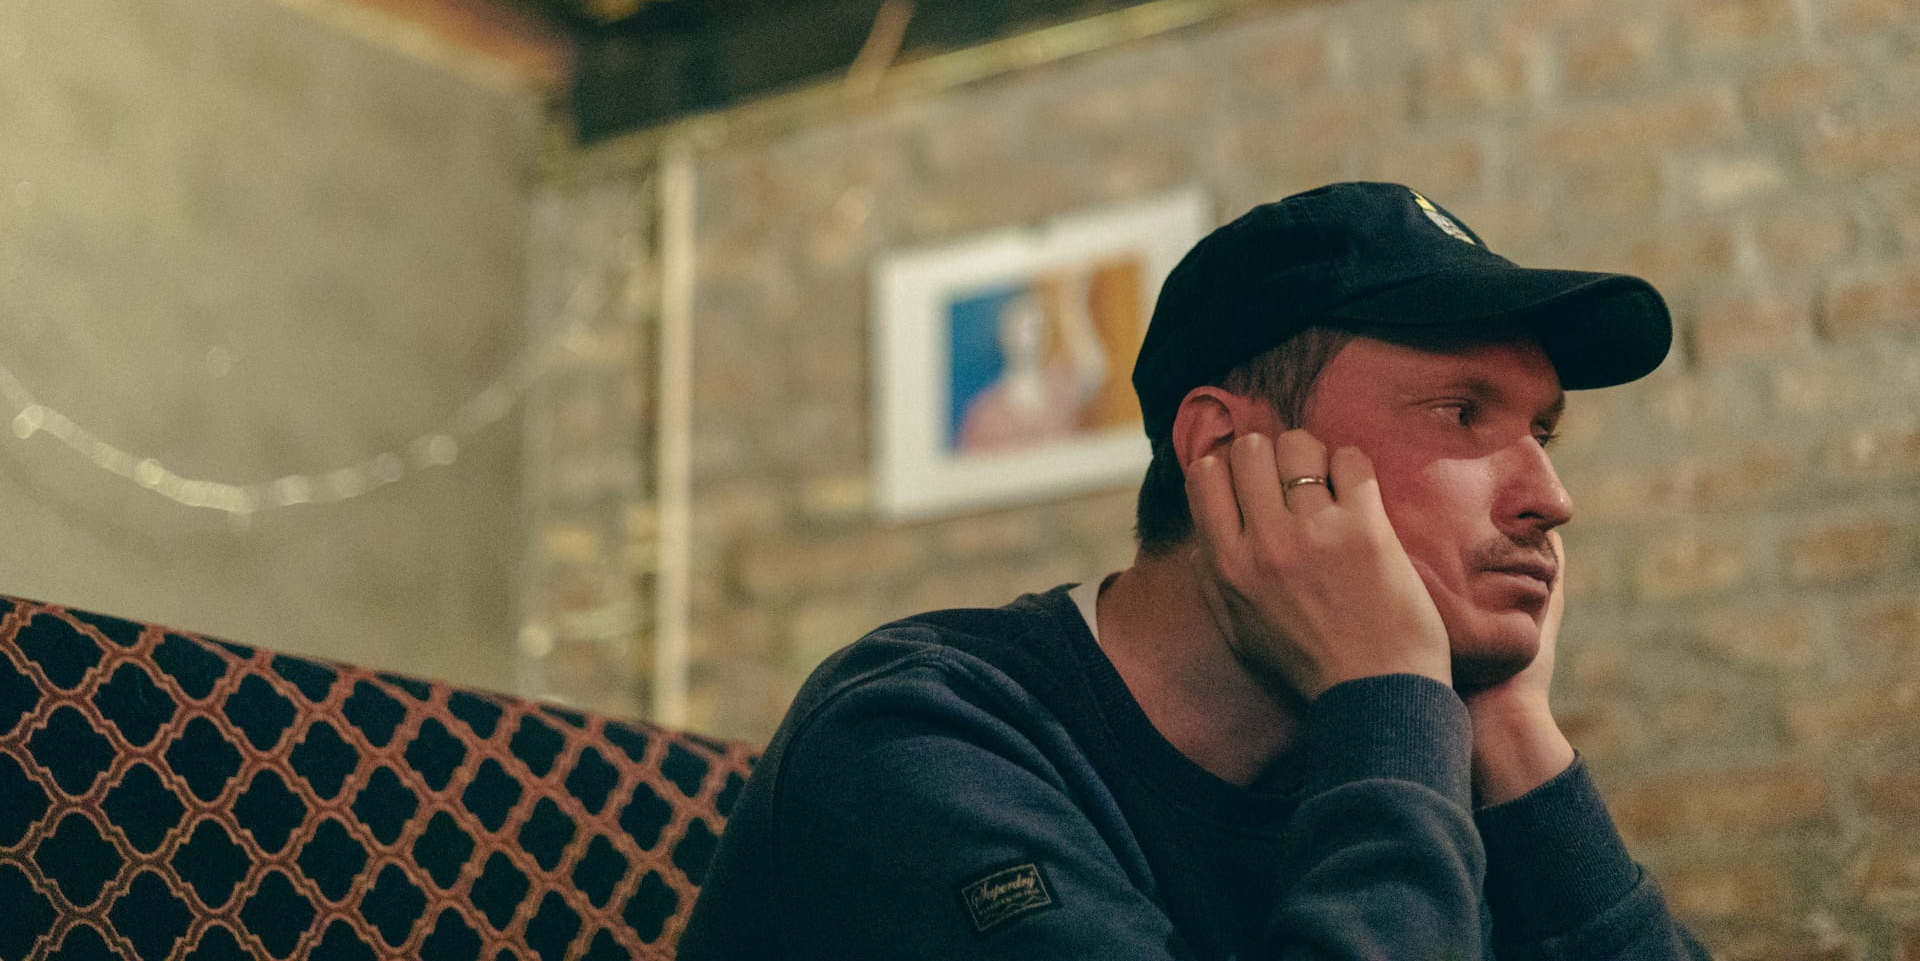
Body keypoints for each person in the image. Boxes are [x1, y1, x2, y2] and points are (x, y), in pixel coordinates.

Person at [679, 182, 1707, 959]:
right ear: (1224, 447)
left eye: (1543, 432)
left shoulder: (1415, 771)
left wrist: (1516, 736)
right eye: (1462, 412)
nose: (1549, 497)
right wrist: (1390, 697)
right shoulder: (921, 735)